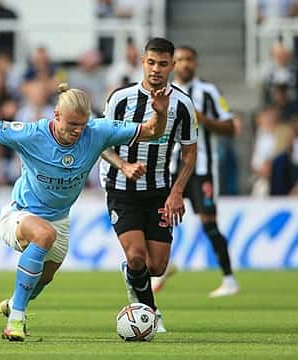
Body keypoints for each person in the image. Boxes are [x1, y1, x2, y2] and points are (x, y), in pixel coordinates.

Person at [0, 82, 171, 341]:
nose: (77, 131)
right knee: (43, 235)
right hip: (19, 215)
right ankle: (16, 320)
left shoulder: (97, 131)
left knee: (43, 278)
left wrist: (160, 113)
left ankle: (14, 302)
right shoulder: (30, 134)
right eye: (71, 124)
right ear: (56, 115)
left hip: (59, 220)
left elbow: (151, 131)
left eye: (82, 126)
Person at [99, 37, 198, 333]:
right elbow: (101, 143)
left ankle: (132, 276)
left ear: (172, 65)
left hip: (159, 191)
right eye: (151, 62)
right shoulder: (120, 98)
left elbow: (190, 152)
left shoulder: (183, 104)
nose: (156, 69)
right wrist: (124, 166)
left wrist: (177, 191)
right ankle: (149, 313)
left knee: (157, 267)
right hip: (121, 189)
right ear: (142, 61)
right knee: (137, 256)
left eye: (163, 64)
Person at [156, 45, 240, 297]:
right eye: (179, 60)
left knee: (208, 223)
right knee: (160, 219)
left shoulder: (208, 91)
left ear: (196, 62)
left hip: (202, 167)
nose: (184, 64)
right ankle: (163, 266)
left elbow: (230, 128)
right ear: (172, 64)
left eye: (189, 59)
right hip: (170, 166)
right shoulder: (164, 94)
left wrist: (204, 120)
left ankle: (229, 279)